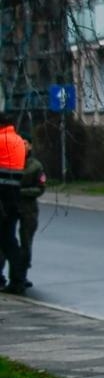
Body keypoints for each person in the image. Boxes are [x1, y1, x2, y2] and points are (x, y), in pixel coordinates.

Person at [0, 112, 26, 293]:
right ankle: (18, 279)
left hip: (0, 197)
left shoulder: (1, 140)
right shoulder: (18, 140)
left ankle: (16, 281)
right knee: (9, 239)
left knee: (6, 242)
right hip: (14, 197)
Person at [15, 137, 44, 290]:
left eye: (25, 143)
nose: (23, 146)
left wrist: (21, 192)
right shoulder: (11, 161)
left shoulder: (35, 166)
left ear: (31, 146)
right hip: (10, 207)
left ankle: (22, 276)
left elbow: (40, 188)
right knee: (7, 242)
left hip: (28, 208)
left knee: (26, 242)